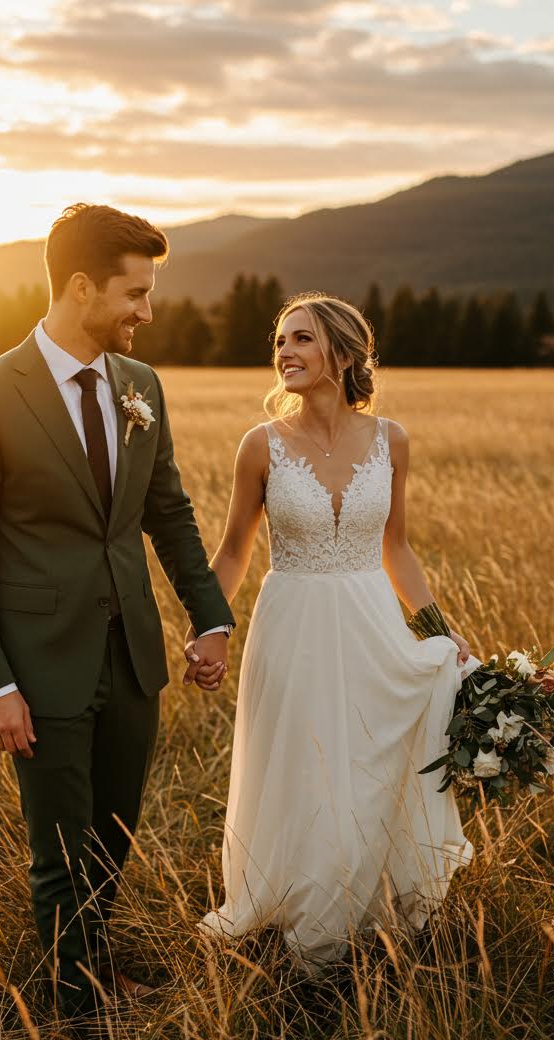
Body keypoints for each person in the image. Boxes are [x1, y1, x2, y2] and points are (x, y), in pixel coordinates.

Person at [0, 203, 234, 1025]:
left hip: (131, 655)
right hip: (38, 666)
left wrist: (210, 616)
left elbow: (167, 515)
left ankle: (94, 968)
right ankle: (78, 1010)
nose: (147, 311)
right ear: (79, 287)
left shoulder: (141, 387)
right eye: (135, 293)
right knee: (59, 851)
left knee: (111, 836)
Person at [186, 292, 482, 974]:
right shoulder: (260, 446)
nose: (284, 352)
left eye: (302, 340)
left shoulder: (392, 440)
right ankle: (307, 915)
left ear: (342, 356)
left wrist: (441, 630)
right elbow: (233, 550)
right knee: (305, 765)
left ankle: (368, 901)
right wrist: (209, 627)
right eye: (281, 341)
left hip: (372, 622)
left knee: (368, 762)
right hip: (292, 624)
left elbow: (397, 549)